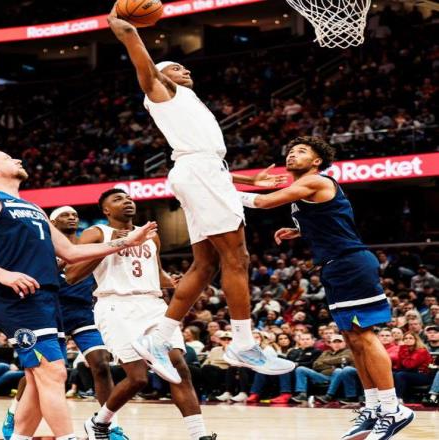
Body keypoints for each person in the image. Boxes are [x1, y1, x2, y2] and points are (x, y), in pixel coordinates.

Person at [106, 5, 294, 383]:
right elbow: (138, 53)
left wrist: (248, 180)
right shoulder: (160, 90)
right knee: (237, 257)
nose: (185, 70)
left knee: (204, 265)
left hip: (202, 172)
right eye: (176, 67)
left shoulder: (187, 103)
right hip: (199, 173)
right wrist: (120, 23)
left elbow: (204, 159)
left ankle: (158, 339)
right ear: (161, 75)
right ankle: (243, 342)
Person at [0, 148, 157, 440]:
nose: (17, 160)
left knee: (37, 377)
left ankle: (19, 437)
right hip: (16, 298)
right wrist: (0, 273)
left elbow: (71, 252)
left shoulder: (34, 208)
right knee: (54, 373)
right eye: (8, 158)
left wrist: (127, 241)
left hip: (48, 299)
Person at [239, 136, 414, 440]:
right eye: (290, 151)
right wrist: (299, 230)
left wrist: (218, 191)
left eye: (301, 151)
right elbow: (331, 219)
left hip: (351, 263)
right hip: (334, 267)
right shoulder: (305, 192)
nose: (292, 155)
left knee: (365, 336)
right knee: (353, 340)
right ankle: (373, 407)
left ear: (317, 161)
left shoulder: (316, 180)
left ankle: (392, 408)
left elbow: (263, 202)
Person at [65, 188, 215, 440]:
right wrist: (115, 245)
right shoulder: (97, 233)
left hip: (153, 305)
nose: (127, 201)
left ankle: (199, 435)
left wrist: (174, 282)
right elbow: (72, 275)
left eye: (129, 198)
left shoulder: (150, 236)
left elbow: (157, 274)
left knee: (179, 367)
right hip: (116, 306)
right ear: (106, 210)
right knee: (138, 378)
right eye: (118, 199)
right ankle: (99, 423)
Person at [1, 205, 128, 440]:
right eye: (65, 215)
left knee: (101, 364)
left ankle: (108, 426)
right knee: (37, 373)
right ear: (52, 223)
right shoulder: (44, 247)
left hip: (82, 313)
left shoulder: (89, 247)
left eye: (75, 215)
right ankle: (13, 412)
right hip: (51, 313)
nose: (72, 218)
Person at [393, 332, 433, 401]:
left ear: (416, 340)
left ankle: (399, 398)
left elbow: (410, 365)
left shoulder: (421, 351)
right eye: (405, 338)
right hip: (411, 373)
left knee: (401, 375)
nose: (407, 340)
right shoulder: (404, 349)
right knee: (392, 374)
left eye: (410, 338)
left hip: (423, 375)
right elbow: (399, 366)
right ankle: (389, 397)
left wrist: (403, 351)